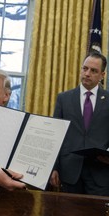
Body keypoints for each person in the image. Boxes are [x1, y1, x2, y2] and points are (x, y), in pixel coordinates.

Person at [50, 51, 109, 196]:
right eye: (85, 68)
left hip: (100, 173)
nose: (87, 73)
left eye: (93, 70)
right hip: (69, 172)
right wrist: (53, 167)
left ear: (102, 75)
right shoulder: (64, 98)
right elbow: (55, 134)